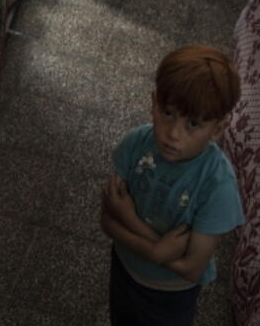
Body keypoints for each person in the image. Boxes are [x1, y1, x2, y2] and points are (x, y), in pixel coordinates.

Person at [101, 45, 244, 326]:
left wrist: (131, 223)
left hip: (170, 296)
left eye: (193, 123)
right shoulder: (135, 144)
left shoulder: (218, 186)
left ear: (217, 129)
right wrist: (157, 249)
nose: (174, 134)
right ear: (153, 103)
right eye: (167, 113)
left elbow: (192, 268)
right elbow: (106, 220)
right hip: (124, 270)